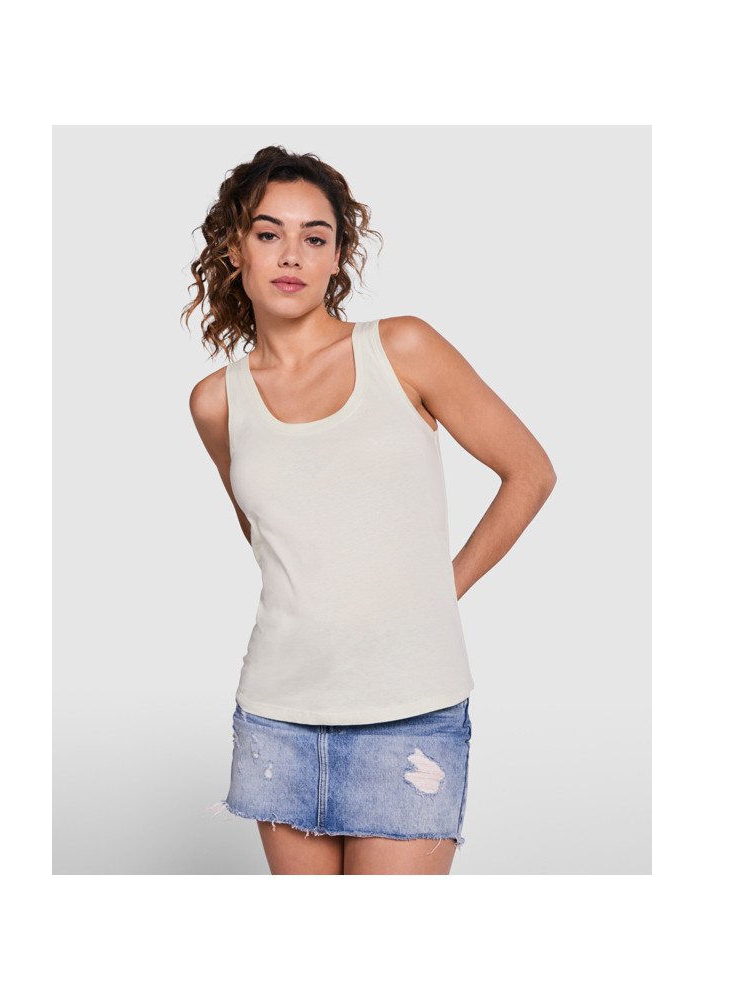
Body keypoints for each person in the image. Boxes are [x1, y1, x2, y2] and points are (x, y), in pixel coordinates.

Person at [187, 146, 557, 875]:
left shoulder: (403, 349)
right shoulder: (215, 401)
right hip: (278, 717)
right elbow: (268, 537)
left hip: (410, 712)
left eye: (315, 236)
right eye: (268, 233)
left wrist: (440, 589)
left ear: (337, 257)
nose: (292, 254)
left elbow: (530, 473)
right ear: (235, 250)